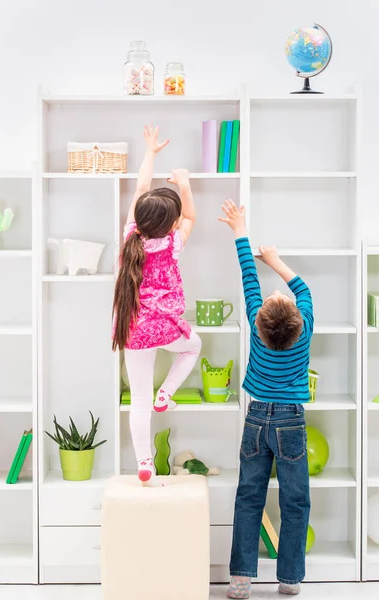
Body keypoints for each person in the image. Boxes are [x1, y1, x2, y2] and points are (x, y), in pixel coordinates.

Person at [218, 200, 313, 597]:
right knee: (295, 501)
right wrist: (277, 261)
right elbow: (301, 288)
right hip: (291, 420)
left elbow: (247, 278)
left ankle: (240, 580)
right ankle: (288, 579)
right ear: (297, 319)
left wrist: (240, 230)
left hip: (256, 419)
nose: (275, 293)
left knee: (249, 496)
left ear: (260, 320)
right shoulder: (304, 330)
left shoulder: (258, 330)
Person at [112, 125, 201, 485]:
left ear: (141, 221)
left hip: (134, 330)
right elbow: (192, 217)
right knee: (193, 346)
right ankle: (166, 394)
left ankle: (144, 463)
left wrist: (149, 152)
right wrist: (184, 183)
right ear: (172, 224)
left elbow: (140, 188)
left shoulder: (130, 238)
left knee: (138, 400)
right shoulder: (172, 245)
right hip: (164, 328)